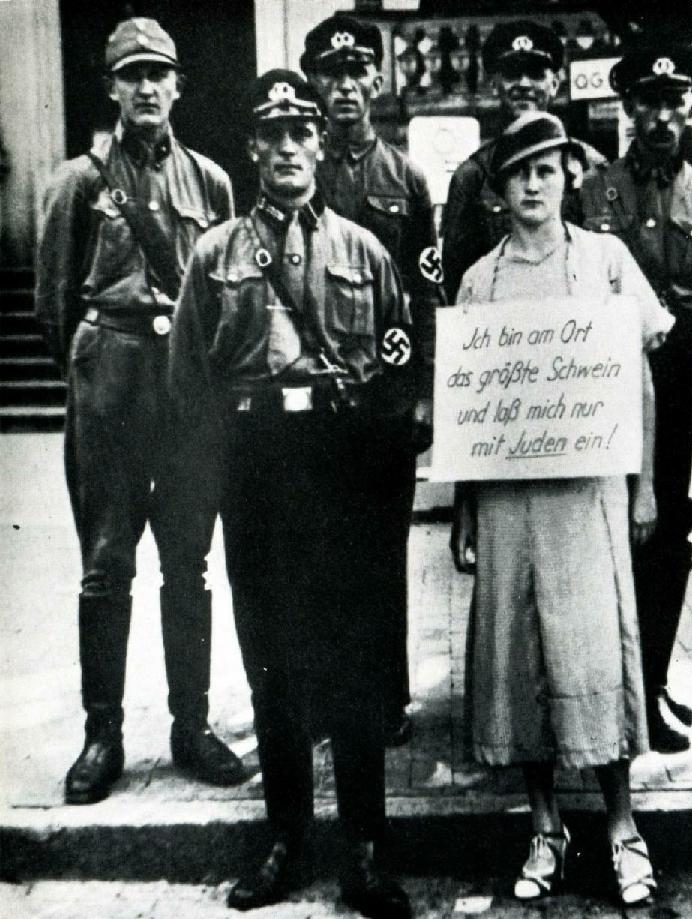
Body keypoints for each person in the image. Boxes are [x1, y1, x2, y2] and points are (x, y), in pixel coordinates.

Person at [169, 70, 421, 917]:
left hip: (341, 465)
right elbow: (189, 388)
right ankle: (284, 836)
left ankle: (363, 847)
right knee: (271, 656)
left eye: (300, 133)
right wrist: (211, 493)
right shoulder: (215, 256)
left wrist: (382, 490)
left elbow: (398, 375)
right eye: (270, 134)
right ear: (251, 149)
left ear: (321, 145)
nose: (286, 148)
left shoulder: (364, 250)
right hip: (258, 462)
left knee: (354, 659)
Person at [449, 112, 672, 908]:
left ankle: (620, 824)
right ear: (500, 188)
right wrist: (466, 511)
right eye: (519, 173)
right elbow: (467, 405)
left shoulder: (608, 262)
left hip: (588, 494)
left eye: (548, 168)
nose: (534, 184)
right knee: (519, 653)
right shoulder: (480, 280)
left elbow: (640, 381)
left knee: (594, 652)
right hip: (509, 497)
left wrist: (644, 484)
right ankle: (545, 822)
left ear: (569, 175)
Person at [34, 16, 245, 805]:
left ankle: (190, 726)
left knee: (188, 563)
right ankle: (103, 734)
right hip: (112, 383)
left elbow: (224, 292)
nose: (148, 87)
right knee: (105, 566)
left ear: (179, 85)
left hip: (187, 391)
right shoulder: (80, 181)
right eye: (133, 75)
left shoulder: (211, 183)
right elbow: (55, 304)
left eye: (160, 73)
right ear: (112, 88)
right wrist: (95, 376)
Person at [579, 44, 692, 753]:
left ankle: (647, 686)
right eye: (648, 101)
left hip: (680, 393)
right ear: (628, 107)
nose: (661, 115)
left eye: (674, 101)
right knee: (603, 541)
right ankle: (606, 689)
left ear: (690, 108)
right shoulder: (589, 194)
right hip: (601, 389)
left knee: (668, 543)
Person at [302, 12, 439, 747]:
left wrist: (423, 393)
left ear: (377, 82)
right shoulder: (298, 167)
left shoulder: (407, 178)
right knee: (320, 547)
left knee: (384, 553)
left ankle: (387, 697)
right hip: (317, 399)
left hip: (384, 399)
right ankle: (327, 696)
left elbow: (425, 294)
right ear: (314, 83)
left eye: (358, 73)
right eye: (332, 73)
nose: (345, 87)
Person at [441, 20, 606, 303]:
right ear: (494, 84)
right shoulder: (472, 176)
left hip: (576, 327)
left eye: (536, 74)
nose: (524, 85)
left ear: (555, 83)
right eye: (512, 74)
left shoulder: (592, 167)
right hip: (502, 329)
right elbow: (457, 278)